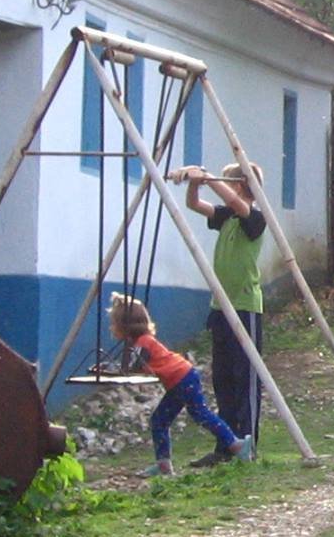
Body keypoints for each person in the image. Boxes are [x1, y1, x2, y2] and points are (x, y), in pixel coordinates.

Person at [172, 159, 267, 462]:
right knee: (223, 379)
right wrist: (194, 181)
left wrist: (207, 177)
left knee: (246, 379)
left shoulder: (255, 219)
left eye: (227, 183)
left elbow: (234, 202)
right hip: (221, 307)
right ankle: (226, 445)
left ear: (239, 186)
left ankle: (248, 444)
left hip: (244, 307)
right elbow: (195, 205)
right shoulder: (226, 217)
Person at [108, 293, 249, 477]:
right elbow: (135, 365)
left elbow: (134, 366)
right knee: (160, 420)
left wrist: (113, 369)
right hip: (178, 381)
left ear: (124, 325)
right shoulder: (140, 343)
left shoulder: (143, 343)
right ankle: (163, 464)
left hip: (183, 378)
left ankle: (236, 445)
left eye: (114, 323)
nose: (112, 328)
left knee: (200, 413)